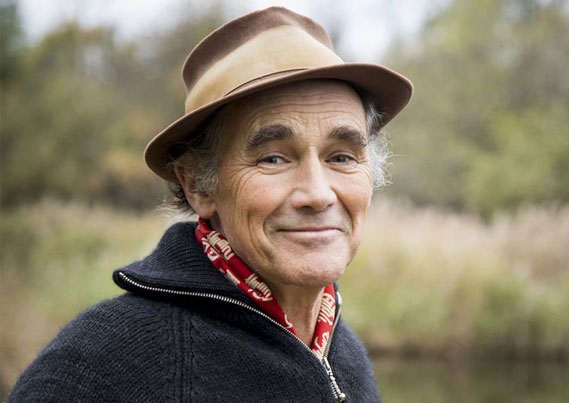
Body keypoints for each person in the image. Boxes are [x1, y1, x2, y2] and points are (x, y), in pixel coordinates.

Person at [8, 6, 412, 403]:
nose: (318, 194)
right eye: (273, 158)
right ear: (199, 186)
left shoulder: (343, 352)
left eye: (341, 157)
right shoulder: (103, 361)